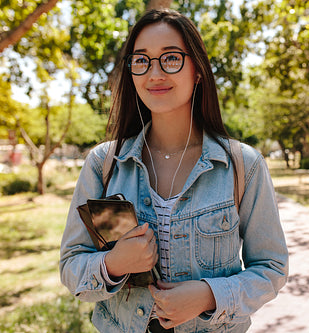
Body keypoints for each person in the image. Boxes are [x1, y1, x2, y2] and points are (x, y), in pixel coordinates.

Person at [59, 8, 288, 333]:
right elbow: (71, 266)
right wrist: (114, 263)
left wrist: (209, 296)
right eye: (142, 60)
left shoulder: (243, 166)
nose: (155, 74)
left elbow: (271, 268)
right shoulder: (104, 164)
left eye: (170, 58)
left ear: (197, 70)